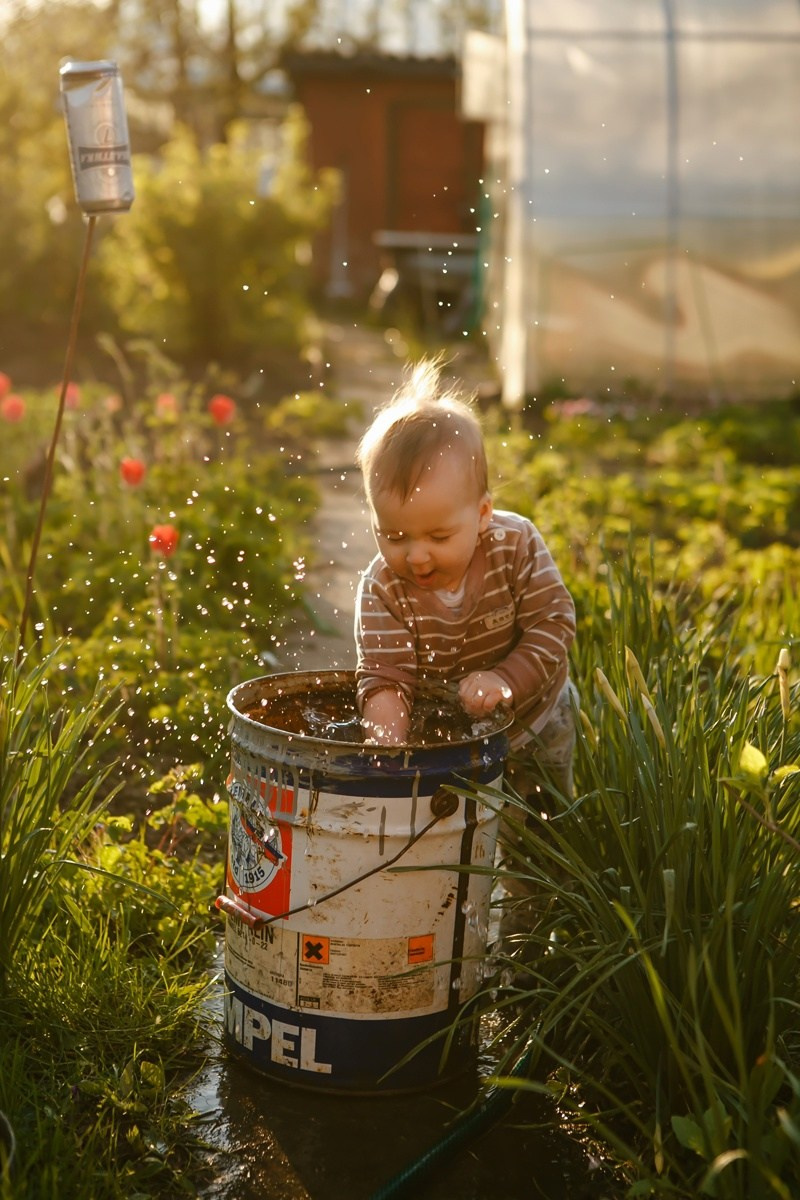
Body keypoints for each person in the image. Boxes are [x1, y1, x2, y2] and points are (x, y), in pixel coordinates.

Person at [353, 359, 578, 800]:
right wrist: (387, 752)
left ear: (482, 514)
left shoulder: (515, 546)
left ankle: (541, 838)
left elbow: (554, 623)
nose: (416, 555)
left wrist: (505, 679)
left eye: (439, 536)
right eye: (394, 536)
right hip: (452, 736)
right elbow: (385, 676)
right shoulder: (383, 588)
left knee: (545, 812)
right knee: (462, 819)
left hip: (539, 715)